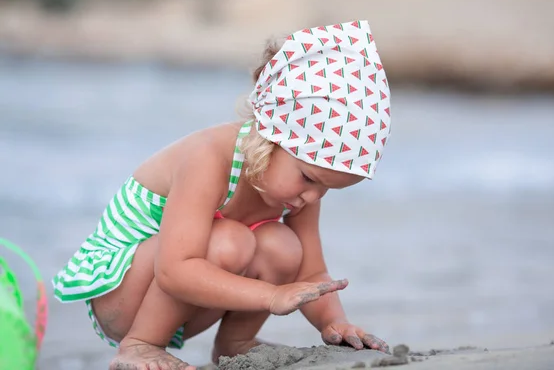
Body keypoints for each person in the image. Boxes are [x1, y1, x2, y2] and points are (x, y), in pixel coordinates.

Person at [52, 19, 392, 370]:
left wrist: (332, 323)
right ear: (271, 137)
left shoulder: (297, 189)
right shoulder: (209, 156)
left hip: (186, 299)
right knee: (231, 240)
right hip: (121, 290)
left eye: (327, 188)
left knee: (284, 245)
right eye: (309, 178)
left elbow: (311, 271)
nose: (313, 197)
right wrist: (272, 296)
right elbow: (174, 270)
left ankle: (235, 343)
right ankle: (140, 345)